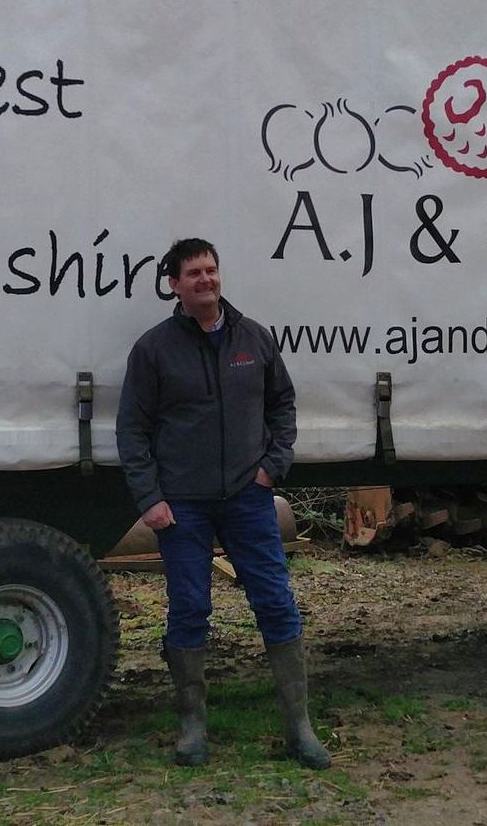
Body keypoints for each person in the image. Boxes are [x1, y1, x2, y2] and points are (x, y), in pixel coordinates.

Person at [116, 237, 331, 769]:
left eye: (211, 270)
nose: (206, 280)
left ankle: (299, 728)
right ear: (174, 285)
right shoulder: (154, 349)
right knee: (189, 609)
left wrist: (271, 469)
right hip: (182, 507)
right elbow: (133, 429)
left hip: (247, 499)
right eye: (194, 274)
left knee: (276, 603)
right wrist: (151, 499)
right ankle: (192, 728)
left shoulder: (253, 339)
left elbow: (282, 405)